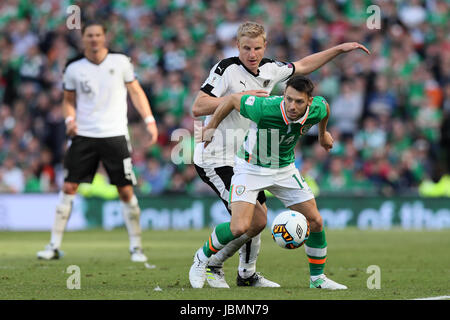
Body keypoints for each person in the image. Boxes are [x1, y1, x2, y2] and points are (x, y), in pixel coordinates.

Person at [190, 21, 369, 288]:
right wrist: (242, 96)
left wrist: (339, 49)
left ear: (265, 47)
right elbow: (198, 107)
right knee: (250, 221)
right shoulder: (226, 69)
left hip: (258, 155)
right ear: (237, 46)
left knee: (258, 221)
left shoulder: (272, 69)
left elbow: (305, 65)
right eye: (246, 48)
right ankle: (210, 263)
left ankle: (246, 274)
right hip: (217, 156)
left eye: (257, 48)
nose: (252, 54)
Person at [191, 75, 347, 290]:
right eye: (288, 99)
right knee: (240, 227)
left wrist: (322, 135)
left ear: (309, 101)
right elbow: (232, 100)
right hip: (250, 168)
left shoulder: (317, 108)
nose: (292, 106)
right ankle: (201, 258)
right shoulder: (264, 108)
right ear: (283, 95)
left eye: (299, 101)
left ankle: (317, 279)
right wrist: (212, 127)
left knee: (315, 221)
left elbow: (326, 108)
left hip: (284, 169)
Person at [37, 21, 158, 262]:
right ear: (84, 39)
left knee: (124, 190)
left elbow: (136, 91)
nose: (94, 39)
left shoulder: (121, 62)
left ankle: (136, 247)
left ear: (104, 37)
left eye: (98, 35)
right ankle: (53, 245)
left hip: (114, 134)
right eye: (89, 35)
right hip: (84, 134)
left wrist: (149, 119)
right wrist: (69, 119)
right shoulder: (73, 67)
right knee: (69, 187)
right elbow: (68, 99)